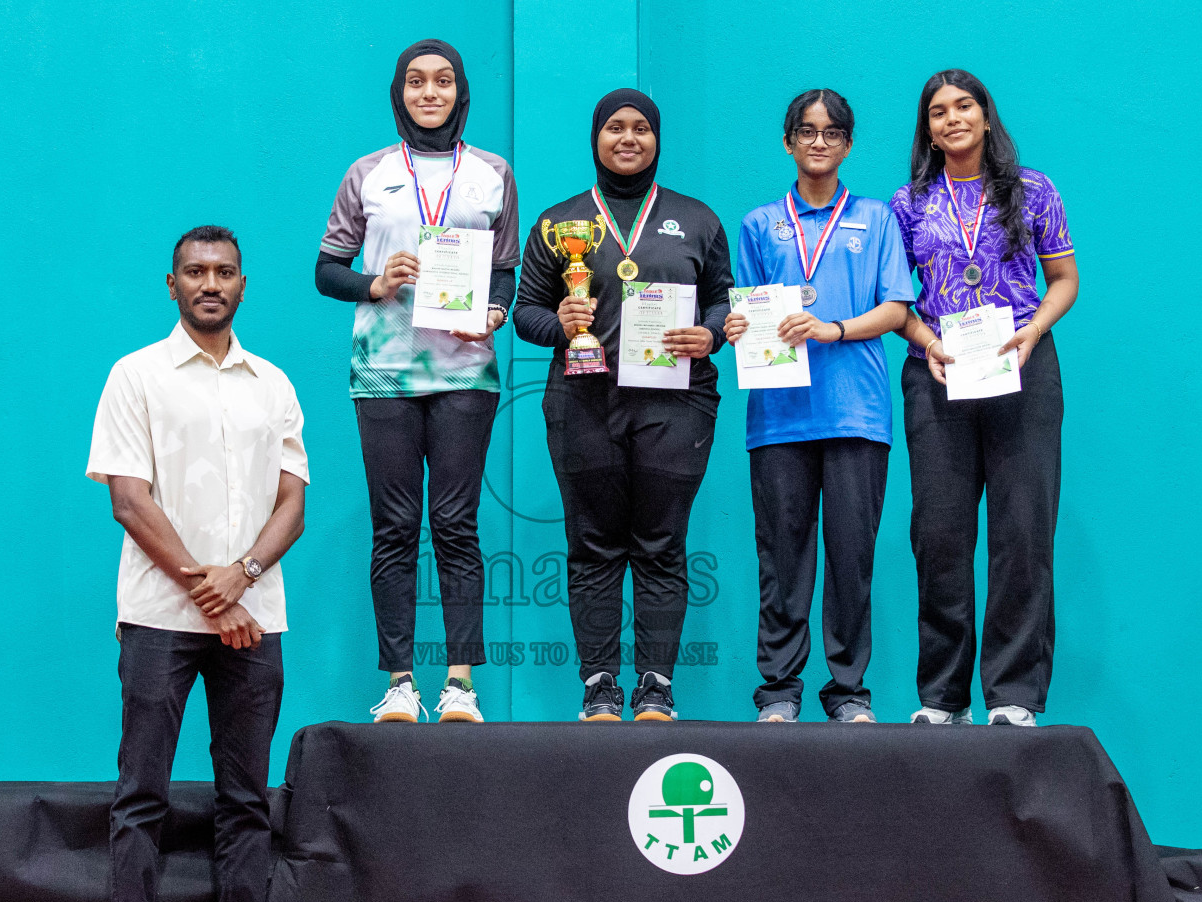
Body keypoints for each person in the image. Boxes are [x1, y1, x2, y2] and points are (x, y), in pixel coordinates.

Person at [87, 226, 319, 902]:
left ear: (243, 286)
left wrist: (243, 579)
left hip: (256, 615)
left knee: (246, 795)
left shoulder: (274, 384)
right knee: (141, 792)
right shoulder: (136, 376)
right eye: (195, 271)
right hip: (160, 618)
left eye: (223, 272)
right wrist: (211, 596)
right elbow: (129, 499)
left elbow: (292, 502)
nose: (209, 282)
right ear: (172, 284)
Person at [513, 89, 733, 723]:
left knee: (662, 544)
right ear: (596, 138)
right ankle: (600, 686)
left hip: (677, 401)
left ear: (658, 139)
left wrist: (711, 333)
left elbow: (724, 298)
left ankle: (657, 686)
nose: (628, 139)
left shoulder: (697, 218)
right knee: (593, 545)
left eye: (641, 128)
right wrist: (560, 321)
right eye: (615, 127)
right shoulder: (560, 222)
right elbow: (525, 312)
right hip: (583, 399)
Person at [317, 39, 519, 725]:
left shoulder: (492, 173)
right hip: (383, 372)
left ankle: (459, 684)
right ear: (399, 94)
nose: (429, 93)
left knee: (456, 525)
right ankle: (401, 683)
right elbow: (326, 270)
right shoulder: (368, 173)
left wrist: (494, 312)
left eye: (442, 82)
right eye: (415, 82)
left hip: (465, 372)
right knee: (395, 527)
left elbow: (506, 272)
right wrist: (374, 281)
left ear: (460, 92)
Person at [890, 69, 1079, 726]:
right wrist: (926, 339)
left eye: (963, 106)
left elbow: (1063, 278)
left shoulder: (1033, 191)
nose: (952, 118)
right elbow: (894, 301)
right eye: (938, 111)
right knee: (939, 536)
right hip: (938, 374)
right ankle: (942, 699)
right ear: (929, 130)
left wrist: (1032, 332)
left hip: (1020, 368)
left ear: (987, 116)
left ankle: (1013, 697)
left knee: (1021, 533)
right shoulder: (907, 204)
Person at [724, 89, 914, 724]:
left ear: (848, 144)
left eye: (832, 133)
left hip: (857, 410)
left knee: (852, 557)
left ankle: (848, 694)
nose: (818, 142)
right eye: (806, 131)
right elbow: (746, 308)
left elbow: (896, 309)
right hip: (779, 416)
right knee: (782, 557)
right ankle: (778, 691)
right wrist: (736, 327)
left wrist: (830, 328)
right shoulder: (759, 224)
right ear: (788, 142)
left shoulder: (876, 218)